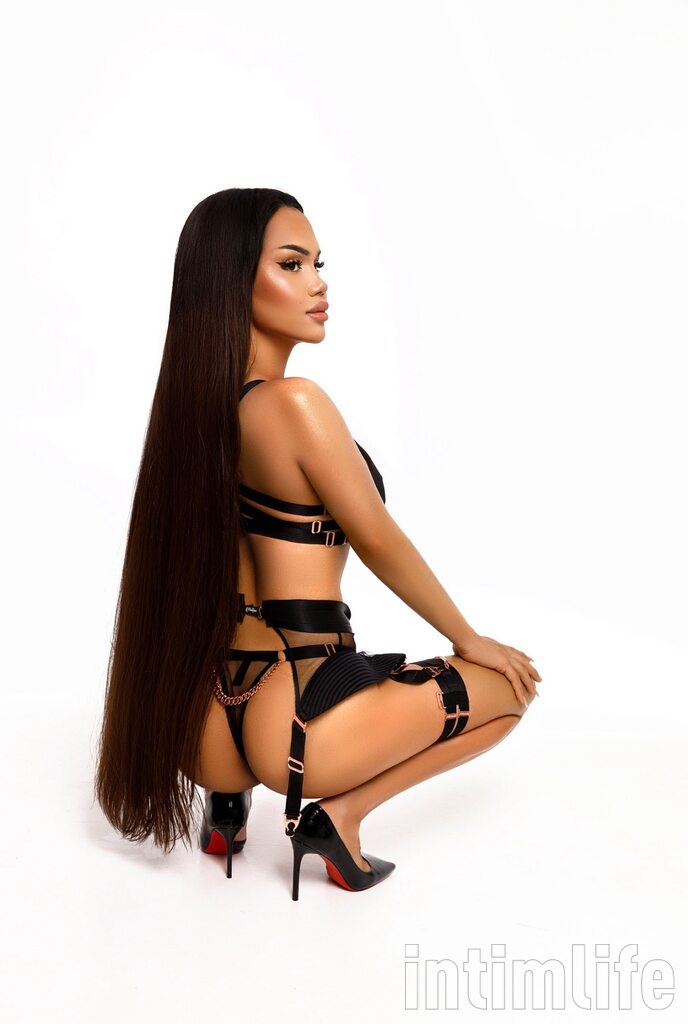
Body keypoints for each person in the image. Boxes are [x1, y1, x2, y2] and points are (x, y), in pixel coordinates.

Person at [94, 188, 541, 901]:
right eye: (292, 264)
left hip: (201, 726)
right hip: (297, 720)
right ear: (233, 282)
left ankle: (227, 810)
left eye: (317, 264)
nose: (318, 284)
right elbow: (377, 539)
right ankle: (339, 817)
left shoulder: (193, 411)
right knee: (507, 691)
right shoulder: (294, 403)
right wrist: (468, 638)